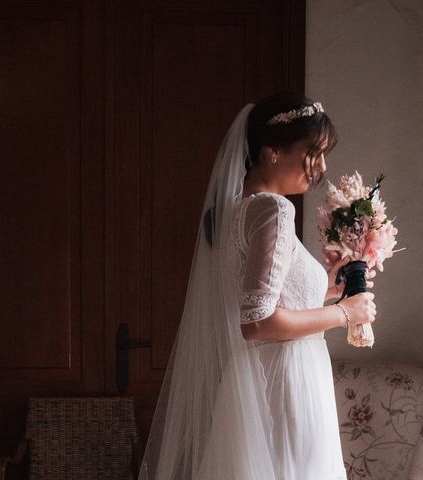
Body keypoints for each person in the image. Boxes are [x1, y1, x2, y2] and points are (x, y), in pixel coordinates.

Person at [138, 92, 377, 480]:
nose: (320, 165)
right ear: (272, 152)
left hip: (255, 379)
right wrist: (343, 313)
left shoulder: (235, 210)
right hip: (286, 381)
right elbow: (258, 323)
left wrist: (328, 291)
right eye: (311, 151)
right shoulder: (274, 208)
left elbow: (260, 298)